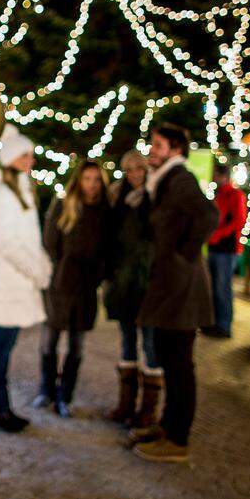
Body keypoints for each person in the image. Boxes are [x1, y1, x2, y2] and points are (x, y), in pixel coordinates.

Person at [130, 123, 217, 464]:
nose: (152, 150)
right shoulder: (161, 181)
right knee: (169, 359)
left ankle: (178, 439)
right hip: (169, 288)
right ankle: (167, 426)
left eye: (159, 145)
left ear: (176, 150)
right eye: (152, 144)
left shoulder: (180, 180)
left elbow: (208, 215)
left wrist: (183, 253)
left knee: (179, 365)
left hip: (181, 289)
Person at [0, 124, 52, 433]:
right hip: (10, 282)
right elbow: (6, 242)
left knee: (5, 348)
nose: (30, 161)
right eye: (24, 156)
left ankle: (0, 407)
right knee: (1, 349)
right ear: (10, 158)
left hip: (19, 281)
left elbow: (28, 240)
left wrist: (40, 265)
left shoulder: (20, 188)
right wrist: (37, 270)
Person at [34, 159, 111, 418]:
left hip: (87, 286)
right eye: (87, 178)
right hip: (61, 282)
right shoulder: (64, 204)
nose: (91, 185)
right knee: (50, 340)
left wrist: (99, 273)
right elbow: (49, 241)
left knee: (77, 345)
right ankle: (46, 389)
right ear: (79, 179)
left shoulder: (105, 210)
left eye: (96, 179)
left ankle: (65, 395)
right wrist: (58, 268)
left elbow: (108, 248)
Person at [102, 150, 162, 429]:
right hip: (124, 283)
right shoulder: (118, 199)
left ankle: (147, 410)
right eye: (129, 169)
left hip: (149, 283)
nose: (135, 174)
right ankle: (125, 404)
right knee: (127, 342)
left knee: (150, 344)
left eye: (139, 168)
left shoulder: (156, 196)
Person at [204, 162, 247, 337]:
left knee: (223, 288)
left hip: (227, 249)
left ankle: (224, 325)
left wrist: (219, 234)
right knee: (214, 287)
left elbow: (239, 220)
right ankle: (214, 322)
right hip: (215, 247)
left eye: (215, 174)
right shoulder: (219, 194)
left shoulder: (235, 195)